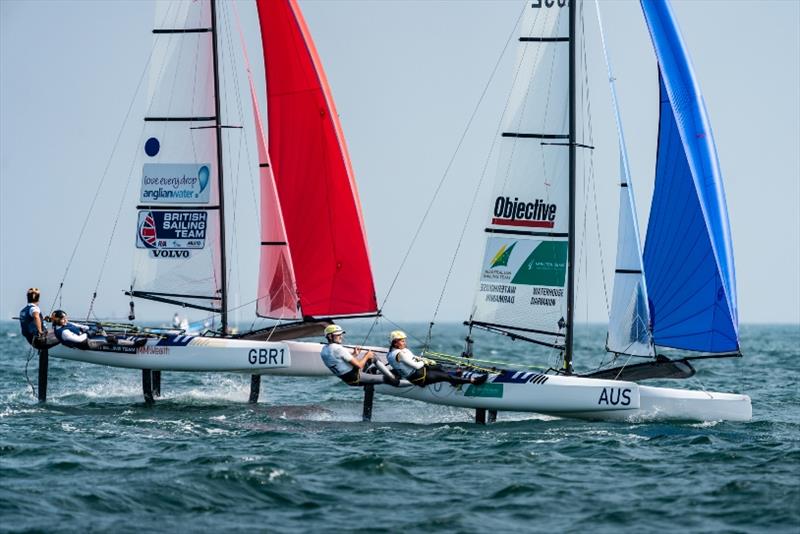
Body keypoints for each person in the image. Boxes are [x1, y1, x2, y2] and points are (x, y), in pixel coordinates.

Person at [386, 330, 487, 387]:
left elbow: (412, 358)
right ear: (395, 342)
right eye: (402, 341)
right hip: (419, 377)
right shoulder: (400, 354)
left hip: (416, 374)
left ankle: (456, 376)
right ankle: (474, 381)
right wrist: (424, 361)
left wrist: (424, 360)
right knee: (444, 376)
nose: (405, 342)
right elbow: (416, 365)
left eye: (404, 340)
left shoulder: (390, 353)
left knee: (438, 366)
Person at [320, 325, 399, 386]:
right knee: (372, 356)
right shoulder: (338, 349)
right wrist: (367, 355)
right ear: (330, 336)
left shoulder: (324, 349)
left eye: (341, 334)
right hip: (356, 377)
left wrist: (354, 355)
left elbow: (339, 362)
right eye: (338, 335)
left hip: (349, 379)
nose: (341, 336)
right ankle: (393, 378)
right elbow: (359, 366)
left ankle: (385, 375)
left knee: (372, 360)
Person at [51, 310, 145, 350]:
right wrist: (88, 333)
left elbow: (79, 325)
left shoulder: (65, 323)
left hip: (86, 337)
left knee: (98, 327)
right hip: (85, 344)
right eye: (64, 319)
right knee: (110, 339)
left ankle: (109, 342)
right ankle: (135, 345)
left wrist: (90, 328)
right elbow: (79, 339)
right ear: (58, 320)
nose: (66, 320)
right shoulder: (64, 332)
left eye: (66, 318)